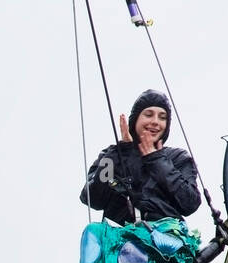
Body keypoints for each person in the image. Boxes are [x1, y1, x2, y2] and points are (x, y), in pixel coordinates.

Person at [80, 89, 201, 224]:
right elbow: (92, 199)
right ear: (135, 119)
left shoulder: (178, 158)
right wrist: (120, 151)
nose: (155, 121)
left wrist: (157, 160)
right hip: (120, 240)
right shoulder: (111, 156)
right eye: (148, 115)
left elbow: (190, 203)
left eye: (162, 117)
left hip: (165, 240)